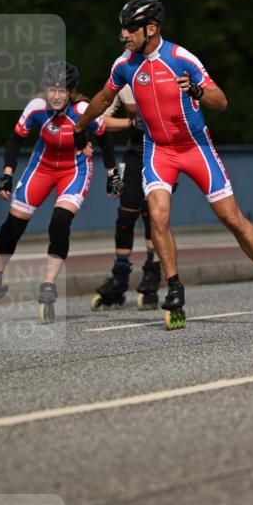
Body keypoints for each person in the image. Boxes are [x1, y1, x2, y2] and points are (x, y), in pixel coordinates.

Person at [74, 0, 253, 329]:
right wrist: (78, 128)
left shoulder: (180, 57)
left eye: (130, 29)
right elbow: (102, 98)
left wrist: (197, 90)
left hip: (195, 147)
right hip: (158, 150)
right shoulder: (124, 64)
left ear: (151, 28)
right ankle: (174, 288)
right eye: (122, 29)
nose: (124, 35)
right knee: (157, 215)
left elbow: (222, 101)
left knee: (231, 218)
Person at [0, 61, 122, 323]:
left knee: (60, 222)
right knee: (12, 226)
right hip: (41, 167)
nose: (55, 95)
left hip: (73, 170)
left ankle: (49, 283)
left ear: (71, 92)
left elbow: (104, 139)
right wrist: (7, 174)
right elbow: (15, 139)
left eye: (61, 90)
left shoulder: (84, 110)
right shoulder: (36, 108)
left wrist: (112, 175)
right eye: (51, 89)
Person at [89, 37, 163, 311]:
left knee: (152, 213)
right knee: (126, 214)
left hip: (164, 150)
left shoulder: (162, 63)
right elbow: (100, 118)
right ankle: (120, 276)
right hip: (136, 148)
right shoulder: (121, 70)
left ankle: (152, 275)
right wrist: (131, 121)